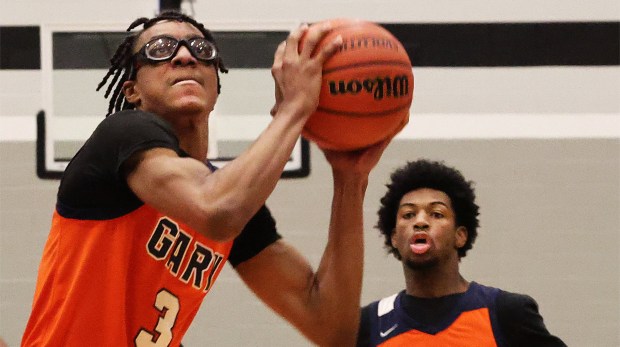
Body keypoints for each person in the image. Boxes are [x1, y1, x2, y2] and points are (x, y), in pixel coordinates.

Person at [22, 10, 389, 347]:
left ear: (216, 84)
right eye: (161, 49)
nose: (185, 56)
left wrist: (350, 178)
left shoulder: (231, 195)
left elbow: (332, 328)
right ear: (132, 90)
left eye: (200, 48)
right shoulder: (121, 135)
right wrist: (293, 110)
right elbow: (216, 210)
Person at [357, 159, 566, 346]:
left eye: (436, 214)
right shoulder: (369, 324)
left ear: (460, 235)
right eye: (408, 214)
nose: (420, 222)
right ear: (394, 237)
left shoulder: (506, 312)